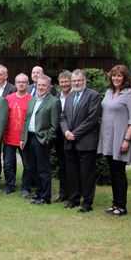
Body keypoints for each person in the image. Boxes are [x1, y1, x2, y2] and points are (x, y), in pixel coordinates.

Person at [97, 65, 131, 216]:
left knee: (119, 172)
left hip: (121, 138)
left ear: (125, 78)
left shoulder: (130, 94)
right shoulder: (108, 92)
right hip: (108, 139)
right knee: (113, 172)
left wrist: (126, 140)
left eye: (119, 76)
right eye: (114, 76)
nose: (116, 78)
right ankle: (115, 204)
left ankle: (122, 206)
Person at [60, 69, 101, 213]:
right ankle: (74, 199)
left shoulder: (93, 96)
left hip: (86, 142)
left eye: (79, 80)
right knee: (72, 173)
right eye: (74, 80)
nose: (76, 83)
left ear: (85, 81)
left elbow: (92, 119)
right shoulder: (70, 96)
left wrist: (74, 134)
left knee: (86, 174)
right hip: (69, 141)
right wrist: (65, 131)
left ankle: (87, 202)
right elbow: (63, 116)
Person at [21, 75, 61, 205]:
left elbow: (54, 126)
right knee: (32, 168)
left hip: (41, 139)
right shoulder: (32, 100)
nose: (41, 87)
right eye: (39, 85)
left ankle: (45, 196)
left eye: (44, 85)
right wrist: (23, 138)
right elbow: (26, 120)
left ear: (49, 87)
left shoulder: (54, 101)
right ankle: (38, 194)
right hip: (29, 137)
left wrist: (46, 139)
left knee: (43, 169)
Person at [3, 73, 32, 195]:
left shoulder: (32, 100)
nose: (21, 84)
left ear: (27, 84)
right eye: (19, 82)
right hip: (9, 137)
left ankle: (25, 187)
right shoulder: (8, 98)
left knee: (27, 165)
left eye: (24, 82)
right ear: (15, 84)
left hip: (25, 138)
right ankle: (10, 185)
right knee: (8, 163)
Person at [54, 70, 72, 203]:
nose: (64, 84)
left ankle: (73, 194)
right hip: (59, 136)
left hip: (72, 135)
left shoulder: (75, 95)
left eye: (67, 81)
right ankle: (63, 193)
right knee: (62, 165)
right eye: (62, 82)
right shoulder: (56, 96)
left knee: (71, 165)